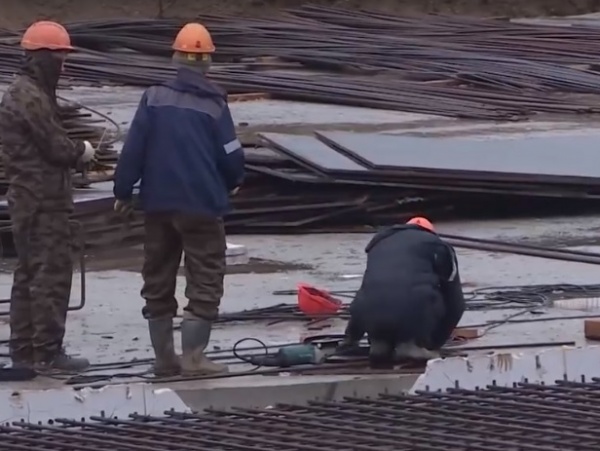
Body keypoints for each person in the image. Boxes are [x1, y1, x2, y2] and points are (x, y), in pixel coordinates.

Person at [113, 22, 245, 377]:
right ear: (208, 62)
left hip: (157, 204)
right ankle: (194, 359)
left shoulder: (153, 98)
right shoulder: (215, 105)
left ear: (176, 57)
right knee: (205, 277)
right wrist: (234, 181)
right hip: (201, 204)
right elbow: (231, 154)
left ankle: (164, 358)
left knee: (157, 276)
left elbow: (133, 149)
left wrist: (123, 191)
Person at [0, 21, 97, 371]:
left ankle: (25, 351)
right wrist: (81, 151)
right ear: (43, 56)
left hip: (28, 198)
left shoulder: (25, 92)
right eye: (60, 56)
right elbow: (56, 147)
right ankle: (47, 352)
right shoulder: (30, 96)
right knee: (51, 275)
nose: (64, 63)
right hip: (44, 202)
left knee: (28, 275)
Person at [341, 216, 465, 368]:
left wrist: (350, 340)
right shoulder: (439, 247)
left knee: (378, 293)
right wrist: (434, 344)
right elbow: (456, 303)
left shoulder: (379, 245)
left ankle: (380, 345)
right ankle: (412, 345)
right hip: (411, 308)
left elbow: (368, 292)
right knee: (432, 294)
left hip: (366, 312)